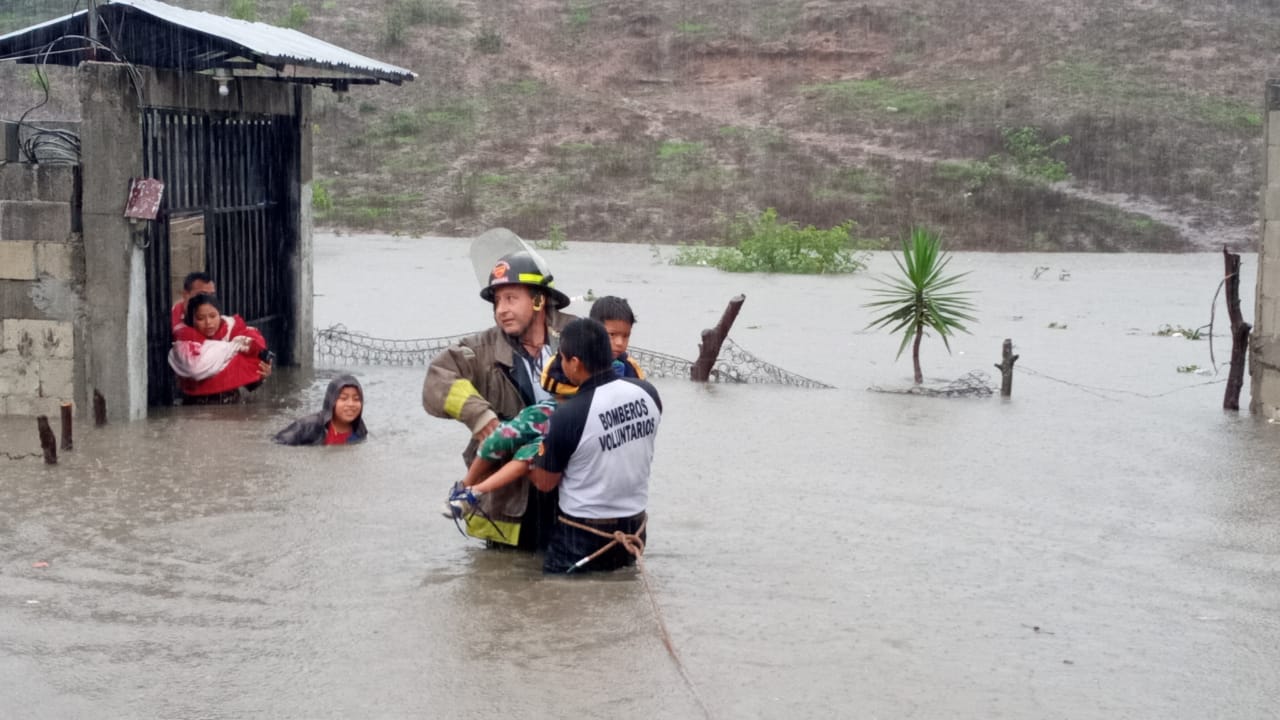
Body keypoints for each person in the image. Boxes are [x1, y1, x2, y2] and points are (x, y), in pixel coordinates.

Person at [422, 248, 575, 549]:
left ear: (538, 299)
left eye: (511, 298)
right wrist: (480, 416)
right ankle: (464, 494)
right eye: (497, 300)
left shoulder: (576, 336)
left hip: (571, 495)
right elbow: (437, 379)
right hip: (509, 507)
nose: (501, 309)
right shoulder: (481, 349)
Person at [529, 318, 663, 574]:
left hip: (581, 538)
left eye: (563, 359)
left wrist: (527, 457)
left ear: (575, 362)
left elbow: (544, 483)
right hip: (634, 531)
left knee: (557, 600)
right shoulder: (649, 394)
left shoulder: (569, 415)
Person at [443, 355, 578, 523]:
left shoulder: (543, 412)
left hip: (549, 479)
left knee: (523, 449)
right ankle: (470, 489)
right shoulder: (593, 402)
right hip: (569, 494)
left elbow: (498, 439)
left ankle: (466, 488)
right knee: (529, 451)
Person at [169, 293, 273, 402]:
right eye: (200, 318)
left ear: (220, 315)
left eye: (213, 316)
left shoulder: (234, 336)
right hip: (195, 406)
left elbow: (249, 384)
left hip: (231, 405)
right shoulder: (184, 348)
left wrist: (262, 375)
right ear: (192, 320)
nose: (208, 323)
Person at [274, 375, 368, 446]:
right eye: (343, 398)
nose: (351, 404)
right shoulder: (307, 426)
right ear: (332, 401)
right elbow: (277, 444)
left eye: (356, 399)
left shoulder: (359, 428)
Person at [589, 295, 645, 379]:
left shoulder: (631, 368)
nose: (620, 343)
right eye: (611, 334)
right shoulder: (575, 364)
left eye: (626, 336)